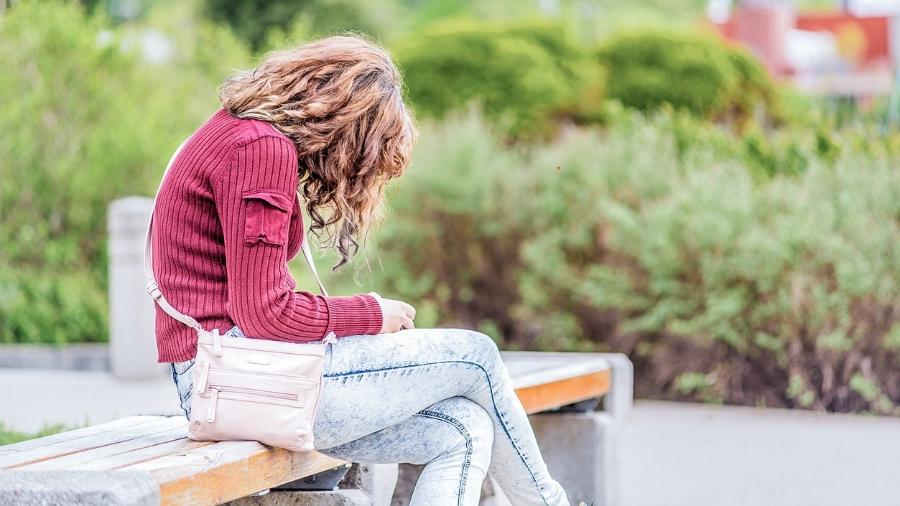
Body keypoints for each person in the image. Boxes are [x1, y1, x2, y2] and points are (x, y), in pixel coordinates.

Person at [152, 35, 571, 505]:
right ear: (345, 125)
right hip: (241, 381)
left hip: (238, 379)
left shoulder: (234, 133)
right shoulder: (259, 149)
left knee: (462, 428)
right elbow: (266, 315)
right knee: (477, 356)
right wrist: (372, 315)